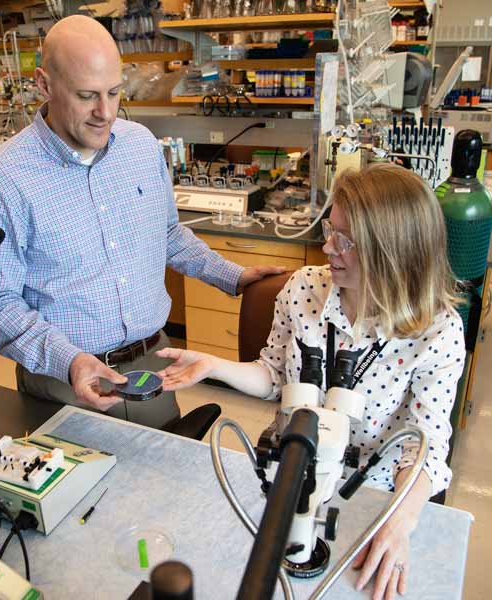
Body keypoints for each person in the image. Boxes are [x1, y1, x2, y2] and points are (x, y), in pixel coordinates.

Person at [156, 164, 464, 600]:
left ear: (392, 251)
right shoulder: (304, 289)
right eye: (330, 230)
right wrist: (214, 366)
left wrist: (400, 521)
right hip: (289, 468)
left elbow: (425, 448)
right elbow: (273, 378)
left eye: (346, 241)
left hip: (367, 491)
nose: (327, 247)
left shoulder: (438, 332)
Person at [0, 15, 284, 429]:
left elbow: (166, 233)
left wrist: (234, 276)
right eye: (86, 96)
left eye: (114, 93)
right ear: (44, 85)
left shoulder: (139, 146)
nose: (105, 112)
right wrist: (70, 361)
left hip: (153, 366)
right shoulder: (3, 178)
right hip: (65, 382)